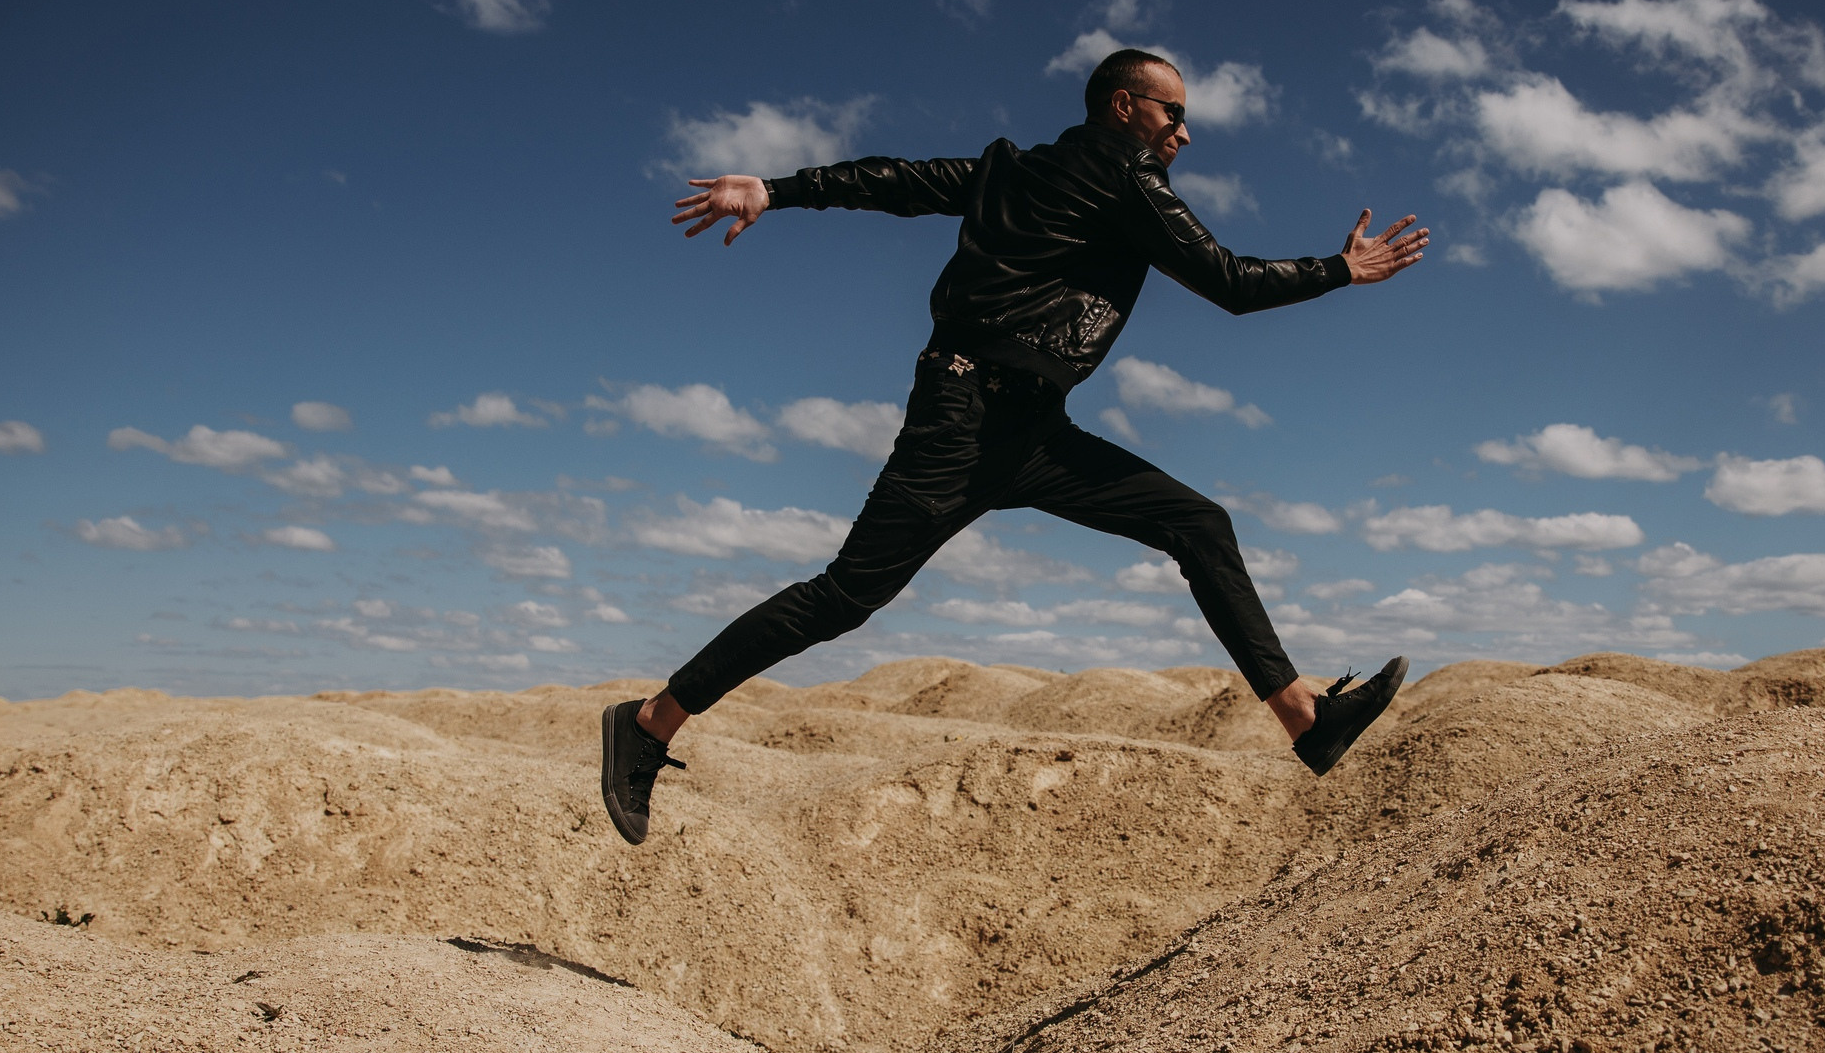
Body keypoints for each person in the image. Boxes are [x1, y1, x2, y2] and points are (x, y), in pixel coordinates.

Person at [600, 48, 1430, 845]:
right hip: (966, 422)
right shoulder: (1125, 172)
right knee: (842, 598)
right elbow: (1231, 282)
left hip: (1029, 429)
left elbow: (894, 180)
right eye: (1173, 112)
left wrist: (776, 190)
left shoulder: (1011, 167)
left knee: (1198, 523)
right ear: (1125, 107)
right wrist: (1339, 270)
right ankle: (647, 724)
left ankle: (1308, 723)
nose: (1184, 132)